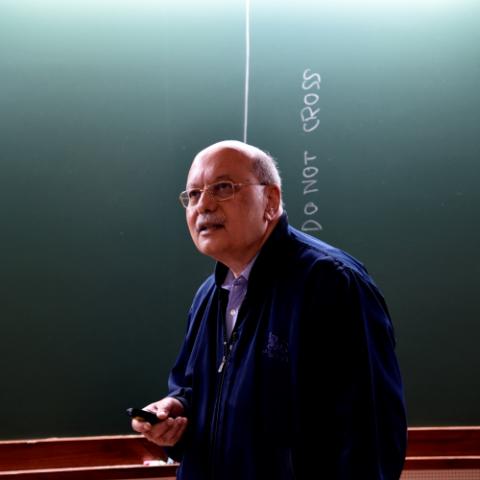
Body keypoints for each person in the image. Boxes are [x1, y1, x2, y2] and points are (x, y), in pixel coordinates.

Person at [132, 140, 407, 479]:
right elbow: (202, 394)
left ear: (271, 201)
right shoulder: (209, 295)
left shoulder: (331, 282)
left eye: (223, 187)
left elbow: (372, 435)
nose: (203, 204)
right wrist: (177, 413)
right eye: (193, 194)